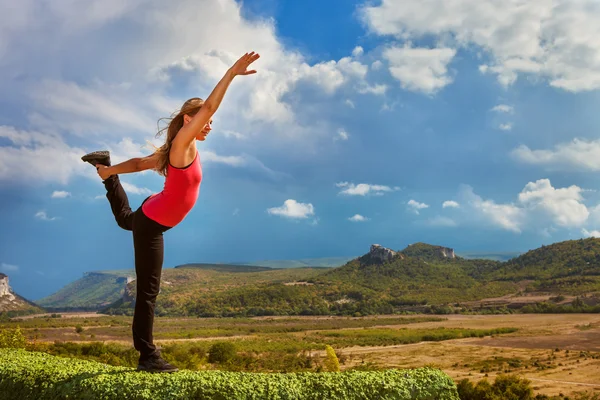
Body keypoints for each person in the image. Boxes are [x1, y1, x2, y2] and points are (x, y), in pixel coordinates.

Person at [81, 51, 260, 373]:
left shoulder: (179, 148)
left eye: (211, 123)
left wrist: (110, 173)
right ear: (189, 120)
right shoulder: (181, 144)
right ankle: (147, 356)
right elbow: (209, 106)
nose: (210, 125)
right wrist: (231, 73)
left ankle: (104, 166)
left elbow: (139, 163)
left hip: (153, 215)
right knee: (148, 291)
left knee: (126, 221)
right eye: (205, 121)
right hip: (152, 222)